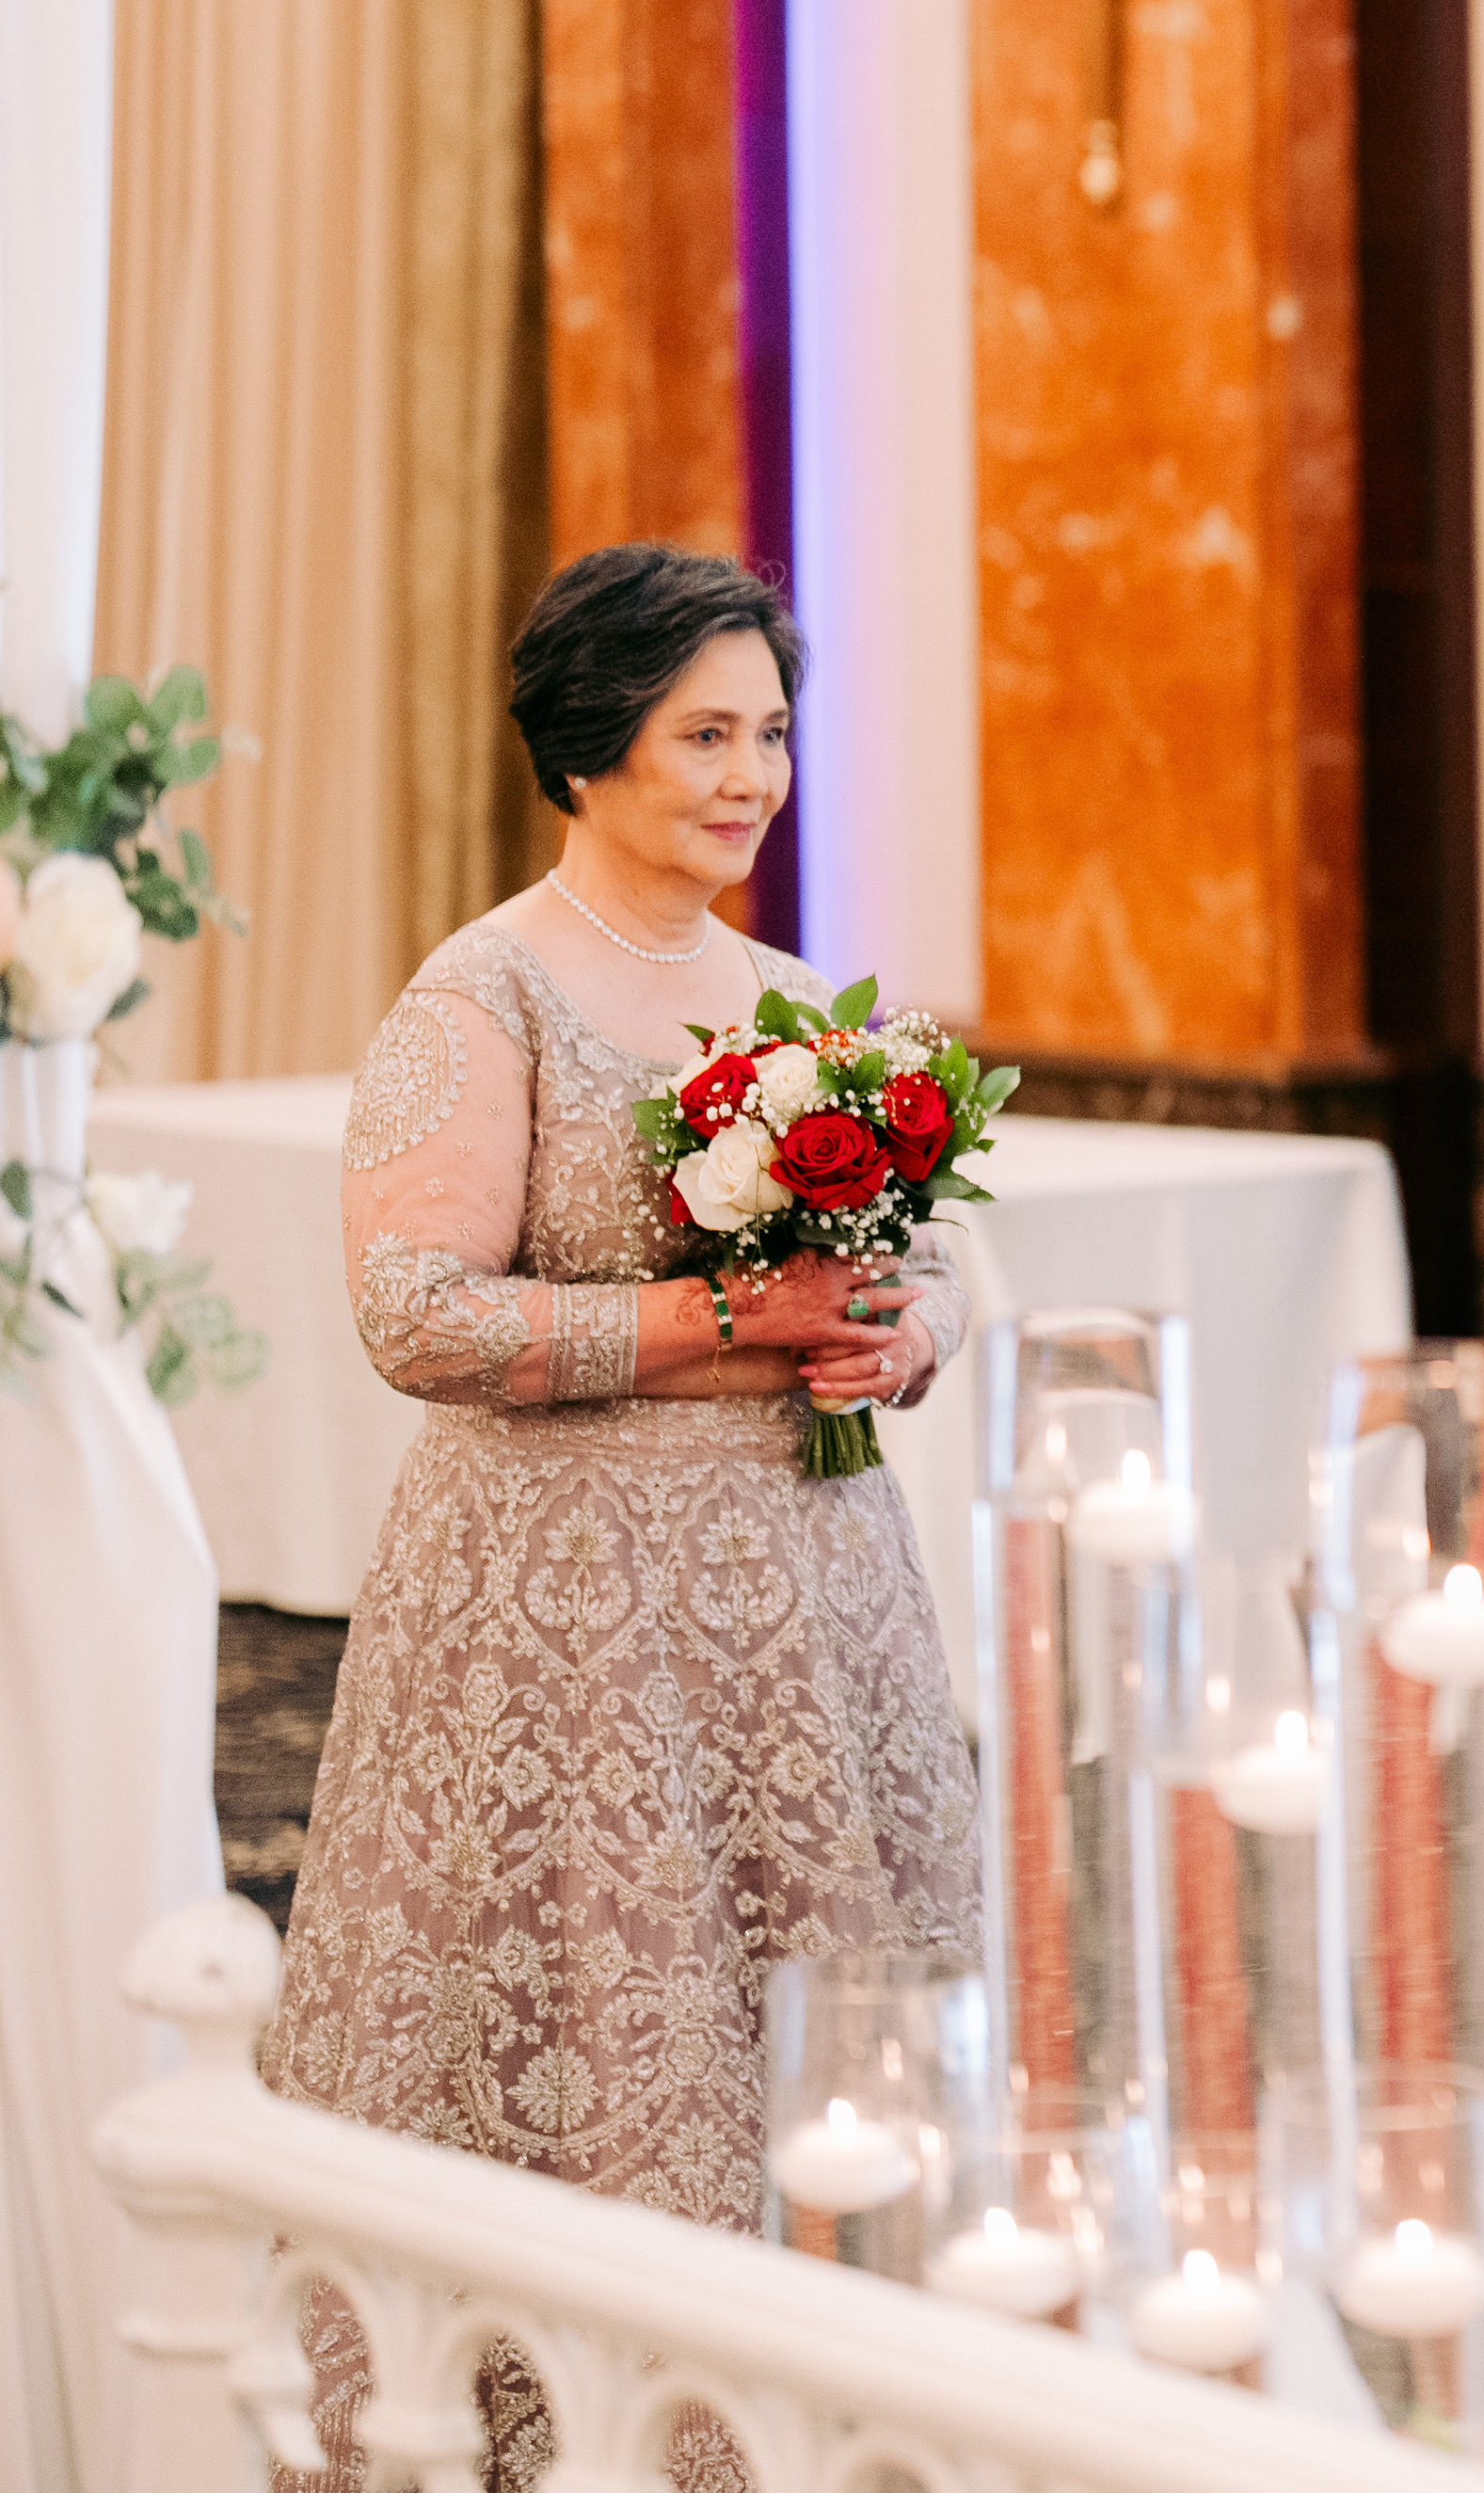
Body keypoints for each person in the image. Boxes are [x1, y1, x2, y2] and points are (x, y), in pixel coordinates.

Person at [263, 546, 976, 2229]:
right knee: (605, 2007)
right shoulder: (483, 992)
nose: (753, 780)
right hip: (566, 1622)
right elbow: (415, 1319)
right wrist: (726, 1315)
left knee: (824, 2029)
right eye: (704, 737)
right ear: (589, 749)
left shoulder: (800, 1001)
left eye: (770, 735)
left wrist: (907, 1334)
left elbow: (932, 1259)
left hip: (803, 1615)